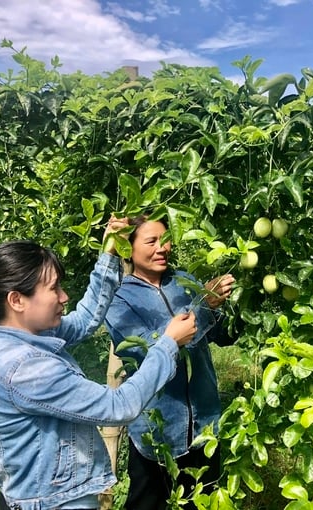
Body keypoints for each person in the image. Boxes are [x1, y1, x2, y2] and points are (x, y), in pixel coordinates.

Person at [0, 217, 198, 510]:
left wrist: (109, 254)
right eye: (54, 288)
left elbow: (82, 322)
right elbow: (119, 406)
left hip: (37, 494)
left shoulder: (13, 335)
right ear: (17, 300)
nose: (64, 296)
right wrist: (168, 344)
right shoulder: (26, 368)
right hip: (53, 503)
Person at [105, 214, 237, 510]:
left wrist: (238, 304)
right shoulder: (119, 299)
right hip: (157, 432)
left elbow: (221, 335)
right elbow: (149, 347)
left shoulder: (184, 281)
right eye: (151, 241)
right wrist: (204, 305)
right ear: (130, 248)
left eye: (165, 240)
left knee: (202, 503)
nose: (161, 248)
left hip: (205, 425)